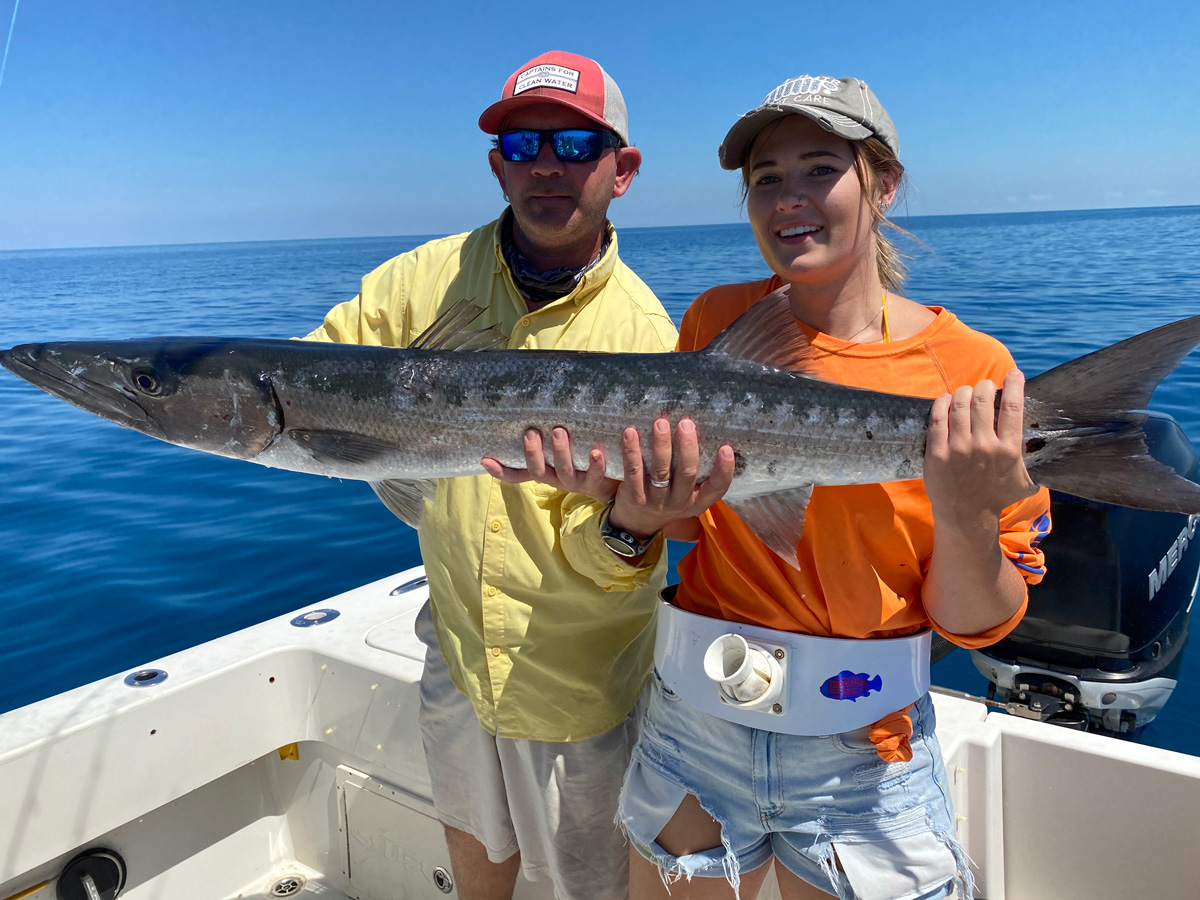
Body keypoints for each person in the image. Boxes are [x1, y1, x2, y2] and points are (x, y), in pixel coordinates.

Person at [494, 75, 1052, 900]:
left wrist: (966, 512)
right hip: (695, 722)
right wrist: (632, 509)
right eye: (765, 179)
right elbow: (692, 530)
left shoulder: (969, 373)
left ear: (883, 183)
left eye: (819, 168)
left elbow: (978, 626)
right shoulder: (718, 318)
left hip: (864, 748)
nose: (789, 198)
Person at [305, 51, 678, 900]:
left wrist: (624, 524)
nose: (549, 163)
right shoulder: (419, 281)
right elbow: (317, 372)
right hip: (460, 656)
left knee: (596, 887)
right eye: (526, 142)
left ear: (622, 171)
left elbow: (620, 553)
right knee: (476, 862)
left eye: (578, 144)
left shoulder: (644, 333)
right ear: (497, 165)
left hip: (579, 683)